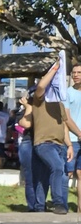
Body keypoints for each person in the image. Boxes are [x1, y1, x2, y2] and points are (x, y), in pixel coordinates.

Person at [28, 58, 81, 214]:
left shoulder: (59, 104)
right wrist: (55, 68)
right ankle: (59, 203)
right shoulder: (40, 100)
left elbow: (63, 125)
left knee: (43, 177)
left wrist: (69, 145)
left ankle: (39, 207)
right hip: (44, 144)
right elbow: (41, 86)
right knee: (57, 168)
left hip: (59, 145)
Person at [65, 64, 81, 195]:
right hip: (72, 140)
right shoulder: (67, 93)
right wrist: (79, 133)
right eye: (74, 73)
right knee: (68, 172)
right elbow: (66, 117)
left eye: (79, 72)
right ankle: (60, 202)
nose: (76, 75)